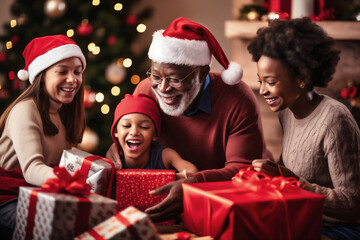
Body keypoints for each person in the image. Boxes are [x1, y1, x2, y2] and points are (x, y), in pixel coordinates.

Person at [107, 17, 271, 222]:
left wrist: (193, 184)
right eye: (156, 76)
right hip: (168, 210)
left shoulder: (236, 97)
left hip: (229, 204)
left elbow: (243, 170)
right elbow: (132, 136)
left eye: (175, 79)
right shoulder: (147, 91)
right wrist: (118, 148)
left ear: (202, 73)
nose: (163, 88)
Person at [247, 17, 360, 239]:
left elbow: (353, 202)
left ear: (302, 78)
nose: (262, 91)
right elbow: (284, 169)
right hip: (301, 218)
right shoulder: (287, 114)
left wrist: (295, 183)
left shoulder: (335, 119)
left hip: (338, 229)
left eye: (270, 82)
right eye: (260, 82)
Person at [0, 35, 86, 236]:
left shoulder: (62, 113)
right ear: (42, 75)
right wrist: (67, 181)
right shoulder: (25, 110)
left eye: (77, 72)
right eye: (62, 71)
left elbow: (64, 162)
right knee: (55, 226)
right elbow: (32, 169)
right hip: (8, 198)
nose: (72, 79)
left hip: (40, 194)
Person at [111, 93, 198, 177]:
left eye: (144, 127)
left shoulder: (164, 155)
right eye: (126, 125)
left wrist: (172, 178)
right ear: (116, 131)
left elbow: (192, 171)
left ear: (155, 134)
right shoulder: (114, 160)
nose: (134, 132)